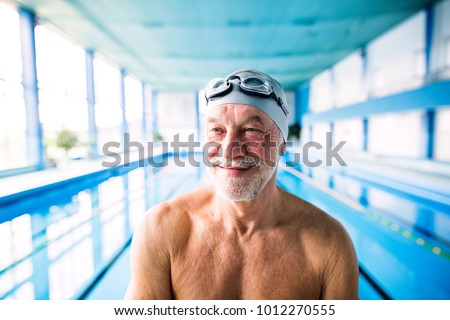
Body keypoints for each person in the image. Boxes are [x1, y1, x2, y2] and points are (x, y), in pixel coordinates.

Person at [125, 69, 359, 299]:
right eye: (217, 130)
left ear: (282, 145)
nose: (229, 150)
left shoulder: (329, 243)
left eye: (251, 130)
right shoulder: (161, 230)